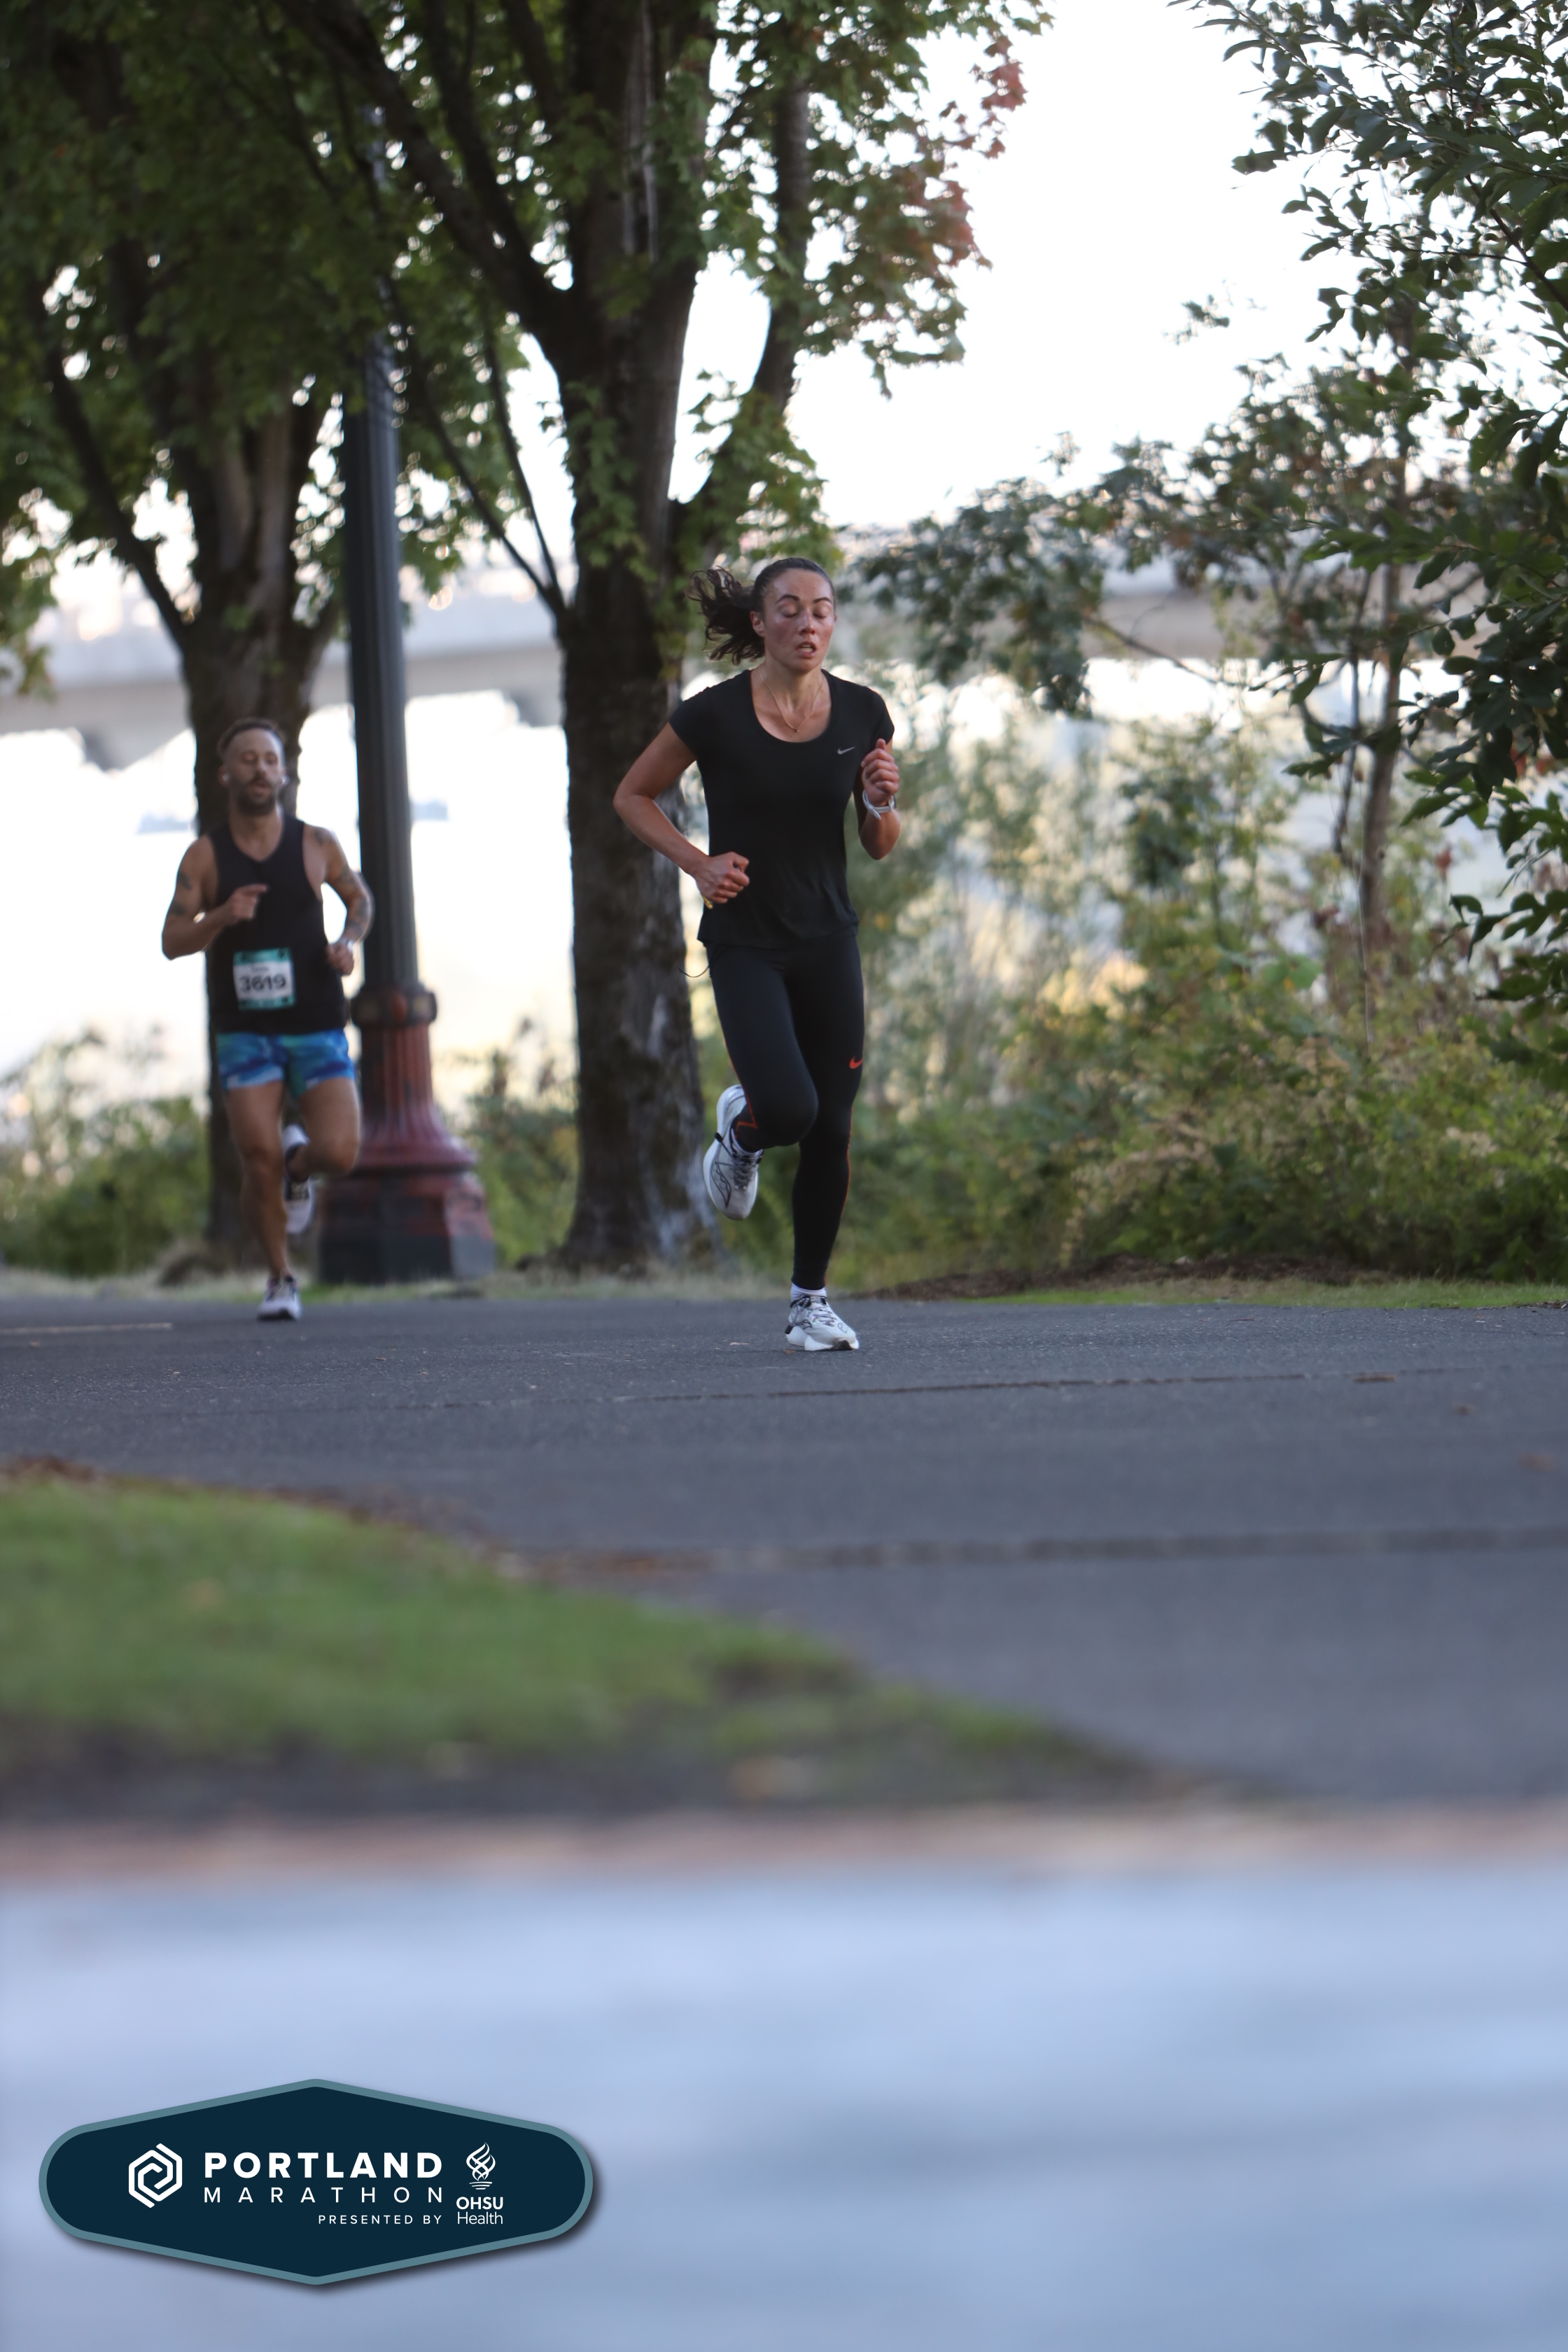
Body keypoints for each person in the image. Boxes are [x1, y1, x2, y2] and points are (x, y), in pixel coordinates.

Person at [613, 557, 900, 1352]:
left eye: (822, 610)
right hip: (745, 939)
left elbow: (879, 843)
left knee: (831, 1127)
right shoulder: (712, 715)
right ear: (759, 622)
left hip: (827, 938)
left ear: (833, 621)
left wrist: (881, 802)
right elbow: (632, 795)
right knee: (790, 1109)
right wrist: (697, 863)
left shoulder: (863, 711)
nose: (807, 624)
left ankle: (809, 1303)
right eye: (789, 609)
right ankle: (742, 1134)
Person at [161, 718, 373, 1321]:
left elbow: (359, 898)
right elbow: (172, 940)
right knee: (257, 1159)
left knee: (340, 1152)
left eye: (271, 760)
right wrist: (220, 916)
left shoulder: (316, 844)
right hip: (245, 1032)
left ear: (285, 772)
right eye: (248, 759)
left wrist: (348, 942)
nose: (261, 769)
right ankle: (281, 1278)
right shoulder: (205, 856)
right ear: (225, 775)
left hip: (316, 1023)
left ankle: (299, 1166)